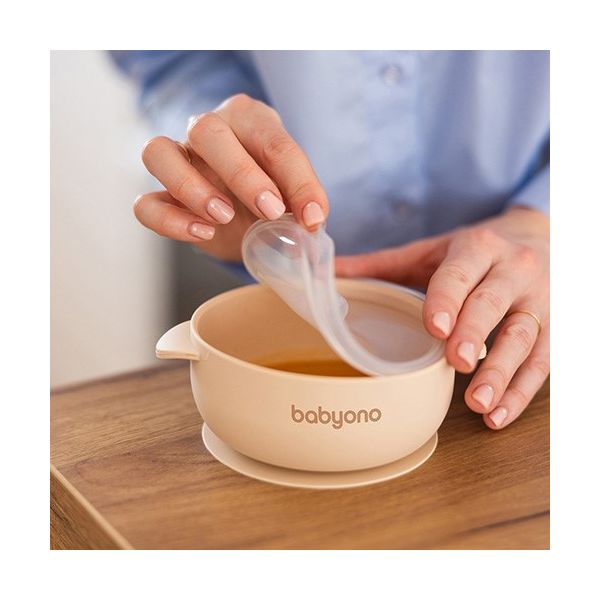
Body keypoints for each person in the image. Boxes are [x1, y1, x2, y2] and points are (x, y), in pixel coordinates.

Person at [111, 51, 549, 431]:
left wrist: (546, 220)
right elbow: (169, 55)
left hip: (534, 297)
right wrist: (215, 150)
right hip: (257, 275)